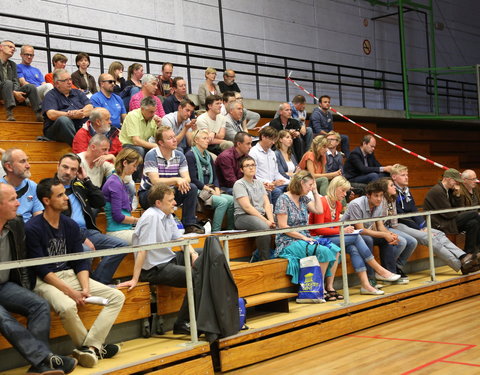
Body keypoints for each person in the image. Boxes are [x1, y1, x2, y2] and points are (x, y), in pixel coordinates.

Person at [25, 178, 125, 368]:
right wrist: (71, 292)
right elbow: (42, 270)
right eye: (60, 195)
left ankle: (90, 347)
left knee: (116, 297)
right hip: (44, 281)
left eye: (65, 193)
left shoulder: (69, 224)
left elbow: (80, 261)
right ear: (46, 201)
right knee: (68, 306)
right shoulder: (32, 228)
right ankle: (92, 348)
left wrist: (85, 287)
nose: (66, 198)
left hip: (69, 274)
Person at [0, 182, 77, 375]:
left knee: (39, 304)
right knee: (2, 316)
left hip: (4, 285)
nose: (19, 204)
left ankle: (39, 365)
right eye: (12, 200)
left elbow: (23, 261)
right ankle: (45, 360)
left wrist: (26, 289)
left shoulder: (16, 224)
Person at [116, 183, 200, 335]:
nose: (175, 203)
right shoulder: (151, 218)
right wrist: (135, 278)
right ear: (158, 203)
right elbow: (142, 250)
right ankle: (182, 322)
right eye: (170, 200)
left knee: (204, 254)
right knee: (195, 277)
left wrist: (194, 254)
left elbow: (180, 240)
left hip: (168, 260)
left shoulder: (168, 215)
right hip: (153, 269)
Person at [309, 176, 400, 295]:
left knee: (353, 248)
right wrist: (342, 230)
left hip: (330, 237)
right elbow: (319, 230)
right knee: (357, 237)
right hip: (316, 239)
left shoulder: (338, 204)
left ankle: (366, 285)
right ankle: (379, 270)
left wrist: (344, 229)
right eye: (342, 190)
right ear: (334, 188)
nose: (345, 194)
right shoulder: (322, 202)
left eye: (346, 191)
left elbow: (333, 227)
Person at [55, 153, 128, 285]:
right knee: (86, 251)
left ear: (78, 171)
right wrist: (81, 237)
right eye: (65, 167)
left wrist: (87, 180)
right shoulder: (50, 189)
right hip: (66, 235)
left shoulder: (78, 185)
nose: (68, 172)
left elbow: (100, 202)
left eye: (73, 169)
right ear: (58, 166)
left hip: (88, 231)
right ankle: (87, 285)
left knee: (121, 246)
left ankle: (98, 283)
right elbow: (58, 221)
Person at [391, 164, 478, 274]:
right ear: (394, 177)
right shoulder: (392, 191)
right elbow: (400, 216)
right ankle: (461, 265)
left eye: (407, 175)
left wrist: (423, 226)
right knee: (430, 238)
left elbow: (414, 210)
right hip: (398, 224)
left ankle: (464, 256)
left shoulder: (406, 190)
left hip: (414, 223)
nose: (406, 177)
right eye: (403, 175)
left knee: (440, 235)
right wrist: (419, 227)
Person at [274, 171, 339, 291]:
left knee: (335, 250)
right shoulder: (283, 199)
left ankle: (329, 286)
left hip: (305, 237)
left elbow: (319, 210)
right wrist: (303, 237)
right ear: (300, 183)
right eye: (309, 185)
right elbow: (283, 227)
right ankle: (319, 289)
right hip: (288, 240)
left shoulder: (303, 198)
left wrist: (315, 192)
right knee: (323, 251)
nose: (311, 188)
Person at [342, 180, 410, 285]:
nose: (379, 199)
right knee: (368, 239)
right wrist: (384, 234)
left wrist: (389, 234)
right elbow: (361, 230)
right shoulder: (356, 204)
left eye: (381, 195)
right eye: (376, 196)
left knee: (386, 240)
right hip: (349, 234)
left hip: (363, 234)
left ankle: (389, 274)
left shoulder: (380, 203)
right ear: (368, 195)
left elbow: (380, 226)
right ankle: (371, 278)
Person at [138, 126, 203, 234]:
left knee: (192, 188)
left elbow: (187, 178)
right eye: (169, 138)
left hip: (169, 193)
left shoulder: (179, 155)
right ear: (161, 143)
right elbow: (155, 181)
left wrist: (181, 181)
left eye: (174, 136)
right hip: (149, 194)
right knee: (162, 191)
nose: (175, 140)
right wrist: (177, 180)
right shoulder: (151, 155)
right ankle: (169, 219)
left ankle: (189, 224)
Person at [186, 129, 234, 232]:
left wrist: (216, 188)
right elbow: (193, 179)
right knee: (223, 202)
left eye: (208, 138)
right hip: (199, 190)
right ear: (196, 140)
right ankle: (215, 231)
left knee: (232, 200)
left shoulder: (209, 156)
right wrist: (209, 190)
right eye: (204, 138)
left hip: (211, 188)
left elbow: (215, 177)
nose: (207, 141)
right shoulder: (190, 155)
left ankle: (230, 230)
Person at [423, 168, 480, 254]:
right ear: (448, 179)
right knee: (474, 214)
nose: (457, 183)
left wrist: (457, 195)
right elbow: (449, 214)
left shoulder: (449, 190)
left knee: (473, 223)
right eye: (455, 181)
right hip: (440, 224)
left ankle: (470, 252)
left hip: (449, 220)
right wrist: (457, 212)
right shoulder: (437, 191)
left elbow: (458, 208)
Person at [233, 156, 275, 261]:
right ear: (242, 170)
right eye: (247, 166)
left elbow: (266, 203)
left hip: (260, 215)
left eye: (253, 165)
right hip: (243, 217)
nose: (251, 168)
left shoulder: (259, 183)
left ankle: (281, 254)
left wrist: (271, 220)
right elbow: (247, 207)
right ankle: (264, 260)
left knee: (282, 222)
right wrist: (266, 221)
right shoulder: (239, 184)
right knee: (264, 228)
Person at [378, 177, 418, 282]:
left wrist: (398, 231)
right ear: (385, 189)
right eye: (391, 185)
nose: (394, 187)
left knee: (412, 241)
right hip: (380, 228)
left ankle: (397, 266)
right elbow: (379, 224)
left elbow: (394, 220)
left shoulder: (393, 198)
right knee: (402, 242)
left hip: (389, 226)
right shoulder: (381, 200)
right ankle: (388, 269)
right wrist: (391, 233)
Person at [42, 69, 93, 145]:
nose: (69, 82)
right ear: (57, 83)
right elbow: (51, 114)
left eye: (70, 79)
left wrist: (80, 113)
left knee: (100, 115)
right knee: (63, 120)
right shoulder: (51, 95)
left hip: (78, 126)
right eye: (65, 80)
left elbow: (90, 107)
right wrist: (70, 115)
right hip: (56, 130)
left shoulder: (78, 92)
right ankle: (78, 147)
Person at [102, 148, 142, 244]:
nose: (135, 169)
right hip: (117, 231)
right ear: (125, 163)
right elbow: (118, 216)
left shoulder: (119, 181)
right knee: (149, 238)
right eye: (134, 166)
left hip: (125, 229)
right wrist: (139, 220)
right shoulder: (114, 183)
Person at [0, 40, 42, 121]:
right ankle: (9, 113)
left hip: (11, 94)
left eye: (14, 48)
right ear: (1, 47)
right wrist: (13, 93)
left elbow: (16, 81)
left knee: (30, 86)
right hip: (1, 92)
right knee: (8, 83)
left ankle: (39, 114)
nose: (12, 49)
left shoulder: (12, 64)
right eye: (10, 47)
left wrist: (15, 92)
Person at [0, 148, 43, 222]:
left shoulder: (33, 186)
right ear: (9, 167)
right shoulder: (1, 188)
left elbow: (38, 219)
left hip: (28, 231)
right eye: (22, 162)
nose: (28, 166)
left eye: (27, 160)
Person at [249, 126, 288, 206]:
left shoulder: (272, 153)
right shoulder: (253, 152)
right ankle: (275, 215)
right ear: (263, 137)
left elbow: (276, 174)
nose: (273, 142)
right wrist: (271, 183)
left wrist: (289, 182)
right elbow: (253, 176)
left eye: (274, 140)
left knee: (293, 187)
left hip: (273, 184)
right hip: (261, 184)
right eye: (271, 139)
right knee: (276, 191)